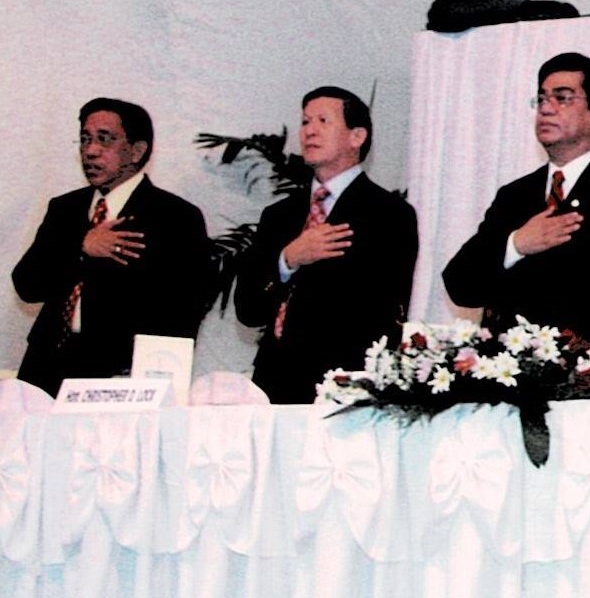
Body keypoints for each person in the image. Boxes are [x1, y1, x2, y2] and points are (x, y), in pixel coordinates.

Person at [441, 52, 590, 369]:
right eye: (541, 99)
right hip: (508, 378)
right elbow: (460, 284)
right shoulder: (514, 195)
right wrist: (516, 244)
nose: (546, 108)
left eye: (563, 98)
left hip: (589, 381)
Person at [12, 98, 211, 392]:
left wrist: (149, 379)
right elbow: (27, 285)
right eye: (85, 139)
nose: (91, 151)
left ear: (137, 150)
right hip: (46, 367)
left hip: (120, 375)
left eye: (105, 139)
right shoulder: (65, 208)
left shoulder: (175, 216)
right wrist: (80, 247)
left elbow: (184, 309)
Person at [234, 87, 419, 404]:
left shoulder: (389, 213)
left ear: (357, 136)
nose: (310, 131)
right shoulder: (279, 215)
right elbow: (248, 310)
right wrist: (288, 259)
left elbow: (385, 310)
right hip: (272, 384)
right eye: (305, 122)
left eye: (323, 120)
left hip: (344, 390)